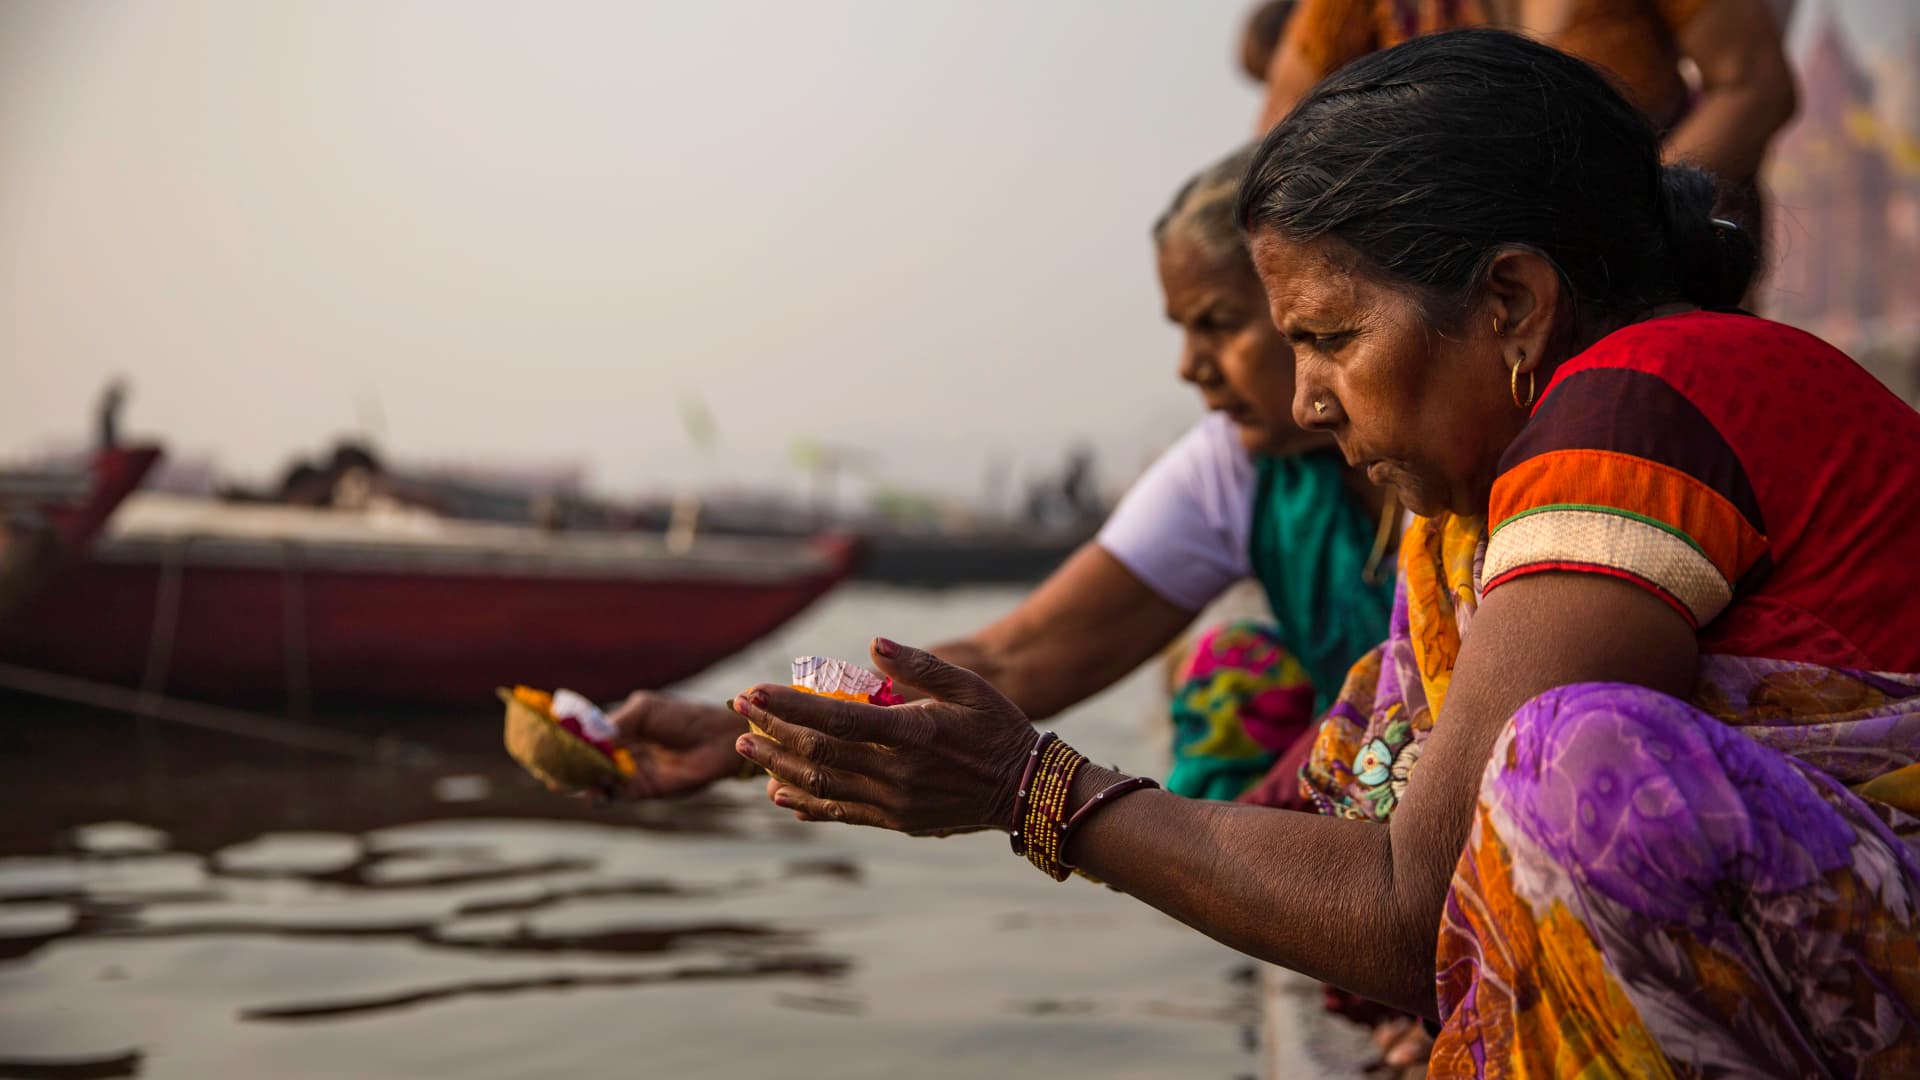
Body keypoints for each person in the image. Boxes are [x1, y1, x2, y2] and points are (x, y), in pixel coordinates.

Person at [730, 31, 1920, 1076]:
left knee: (1572, 765)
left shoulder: (1639, 402)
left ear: (1511, 302)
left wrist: (1030, 789)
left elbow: (1418, 908)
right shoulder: (1489, 500)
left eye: (1333, 339)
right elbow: (1376, 854)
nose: (1305, 401)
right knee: (1370, 728)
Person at [601, 146, 1395, 807]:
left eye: (1220, 325)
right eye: (1184, 331)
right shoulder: (1236, 464)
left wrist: (1031, 798)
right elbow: (1015, 656)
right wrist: (743, 730)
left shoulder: (1441, 464)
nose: (1191, 367)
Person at [1257, 0, 1795, 251]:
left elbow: (1754, 87)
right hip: (1453, 299)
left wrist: (1631, 217)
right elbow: (1284, 137)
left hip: (1642, 279)